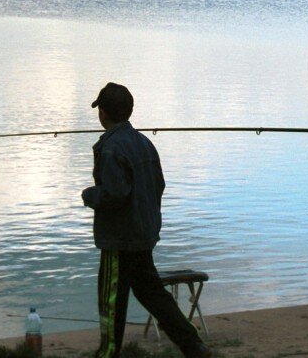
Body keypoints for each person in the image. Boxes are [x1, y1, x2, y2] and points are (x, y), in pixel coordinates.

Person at [82, 82, 211, 358]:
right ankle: (193, 345)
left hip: (119, 239)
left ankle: (108, 352)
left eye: (100, 109)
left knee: (111, 299)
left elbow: (115, 194)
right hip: (143, 234)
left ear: (103, 113)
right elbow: (159, 185)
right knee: (152, 293)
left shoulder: (110, 149)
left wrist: (91, 195)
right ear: (129, 112)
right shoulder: (144, 143)